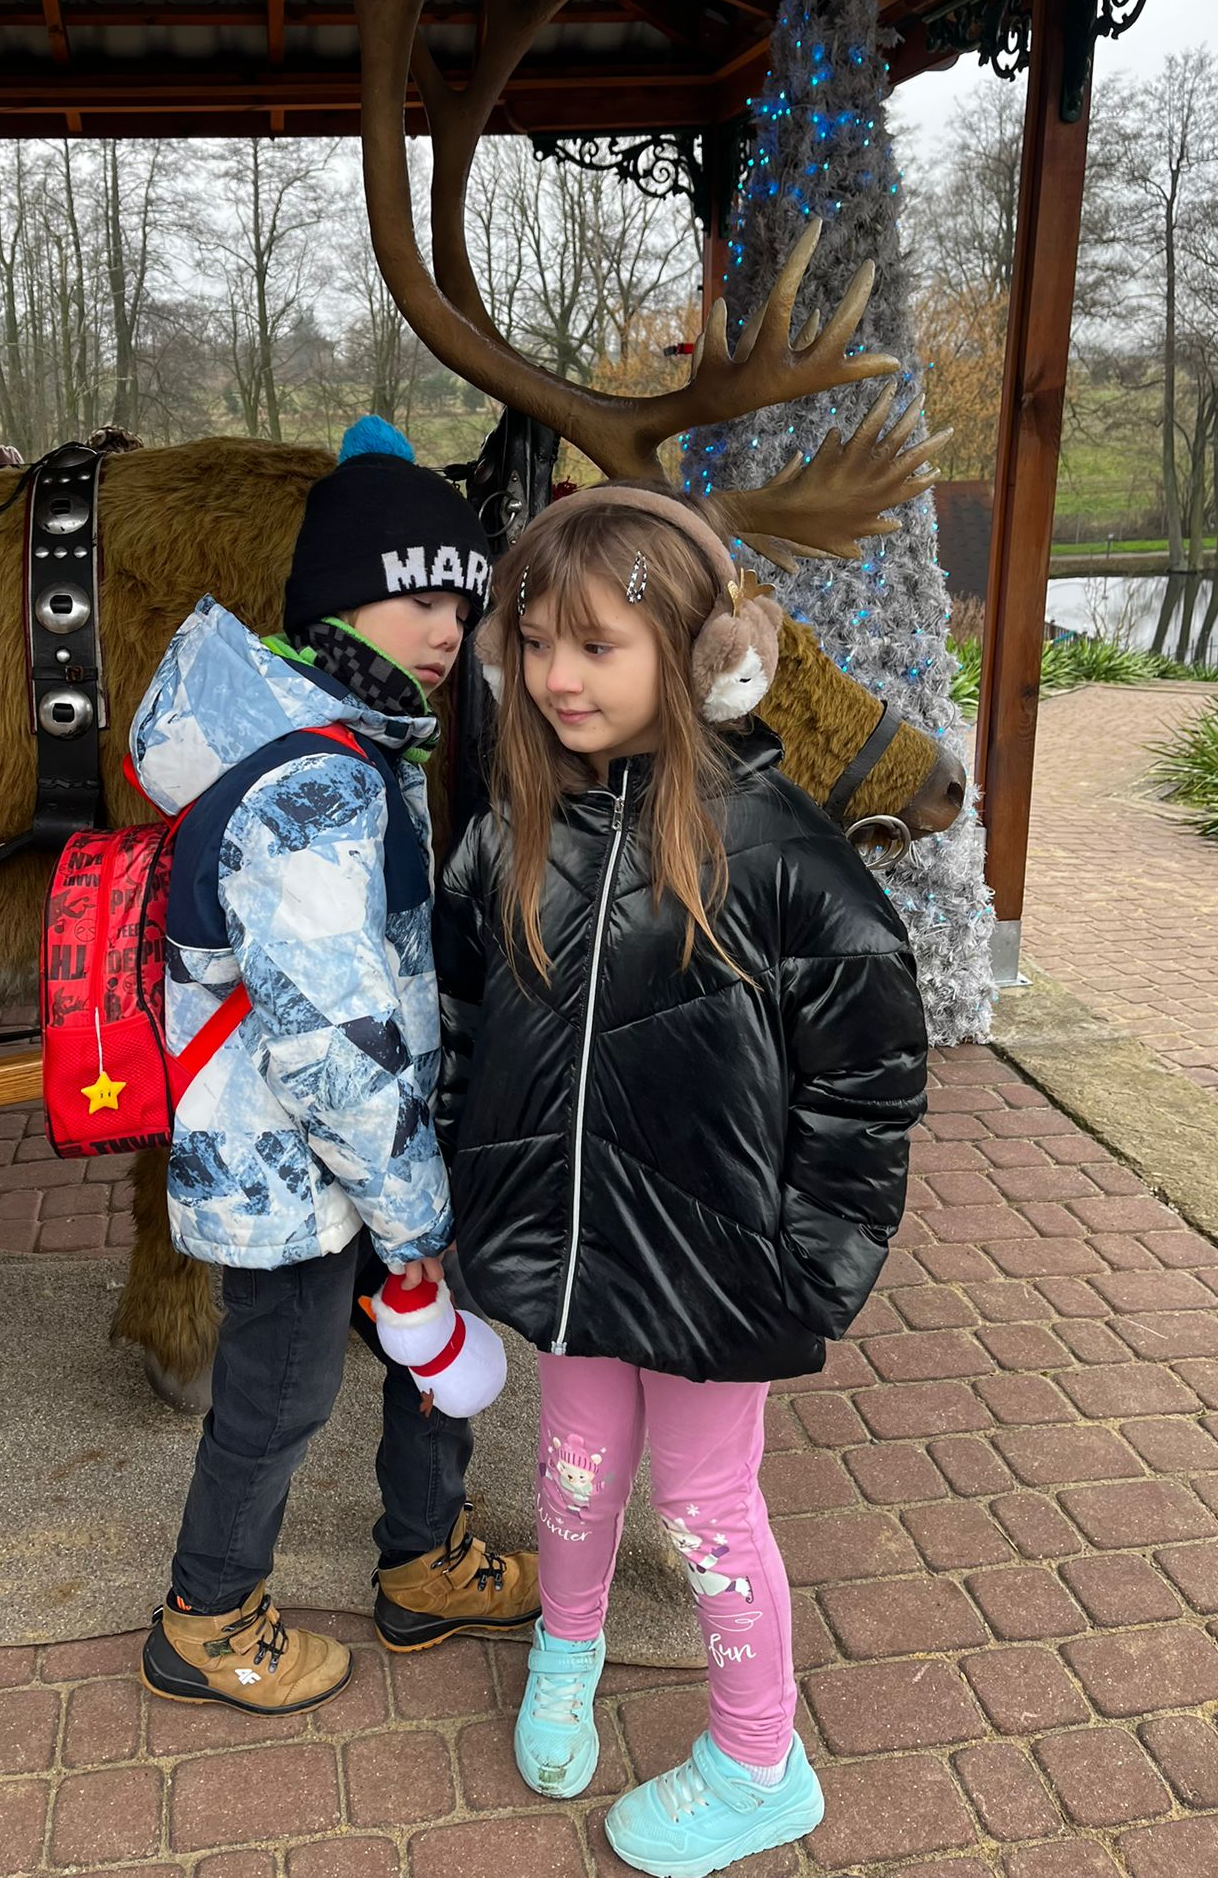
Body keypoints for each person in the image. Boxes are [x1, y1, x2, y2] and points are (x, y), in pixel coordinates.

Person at [435, 483, 927, 1874]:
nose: (557, 677)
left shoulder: (783, 857)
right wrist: (465, 1191)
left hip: (720, 1266)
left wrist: (814, 1266)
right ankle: (567, 1645)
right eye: (535, 643)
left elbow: (868, 1078)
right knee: (574, 1469)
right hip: (568, 1250)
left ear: (707, 657)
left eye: (596, 645)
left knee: (706, 1511)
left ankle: (762, 1760)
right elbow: (462, 1022)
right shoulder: (513, 832)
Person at [131, 418, 539, 1717]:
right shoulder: (309, 786)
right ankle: (206, 1617)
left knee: (427, 1349)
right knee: (281, 1392)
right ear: (339, 599)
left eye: (462, 606)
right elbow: (328, 1040)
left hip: (364, 1158)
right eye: (421, 598)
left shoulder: (364, 748)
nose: (448, 630)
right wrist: (413, 1210)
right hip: (297, 1171)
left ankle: (424, 1561)